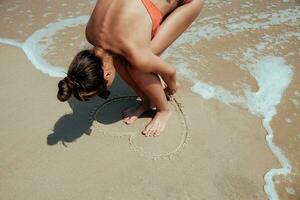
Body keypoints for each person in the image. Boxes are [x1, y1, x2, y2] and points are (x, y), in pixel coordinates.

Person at [57, 0, 203, 137]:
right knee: (121, 58)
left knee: (137, 68)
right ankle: (147, 101)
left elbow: (170, 72)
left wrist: (171, 87)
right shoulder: (90, 33)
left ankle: (163, 110)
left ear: (106, 75)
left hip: (187, 2)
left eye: (104, 91)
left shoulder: (134, 51)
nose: (106, 91)